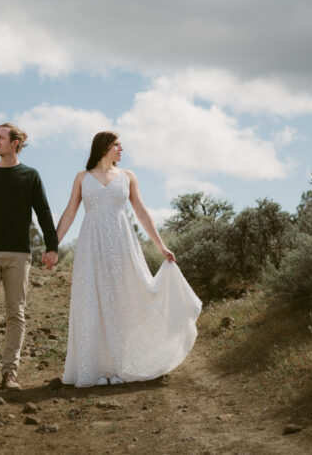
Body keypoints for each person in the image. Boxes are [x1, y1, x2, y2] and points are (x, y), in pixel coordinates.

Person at [51, 131, 202, 387]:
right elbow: (69, 212)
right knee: (92, 301)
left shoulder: (128, 176)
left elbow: (141, 211)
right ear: (103, 147)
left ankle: (120, 365)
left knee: (122, 301)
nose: (121, 149)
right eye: (116, 145)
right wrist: (53, 246)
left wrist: (161, 246)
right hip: (91, 246)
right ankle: (96, 368)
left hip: (122, 245)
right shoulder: (82, 178)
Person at [0, 123, 59, 391]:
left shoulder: (30, 175)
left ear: (16, 142)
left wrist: (52, 246)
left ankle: (9, 374)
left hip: (18, 255)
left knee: (16, 314)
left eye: (1, 138)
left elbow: (44, 213)